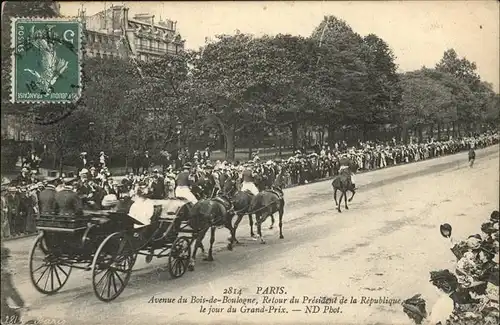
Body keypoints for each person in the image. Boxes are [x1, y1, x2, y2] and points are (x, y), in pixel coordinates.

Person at [1, 245, 26, 324]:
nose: (7, 262)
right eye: (5, 260)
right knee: (14, 315)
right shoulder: (4, 274)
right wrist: (21, 304)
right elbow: (10, 290)